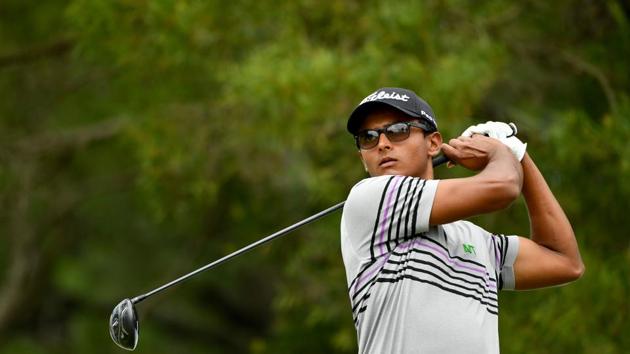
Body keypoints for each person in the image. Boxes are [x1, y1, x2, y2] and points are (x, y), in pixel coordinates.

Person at [340, 87, 584, 353]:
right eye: (368, 137)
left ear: (433, 143)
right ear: (362, 158)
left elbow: (565, 262)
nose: (382, 144)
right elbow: (503, 188)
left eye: (398, 130)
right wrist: (500, 153)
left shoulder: (479, 242)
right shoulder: (370, 200)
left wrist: (520, 156)